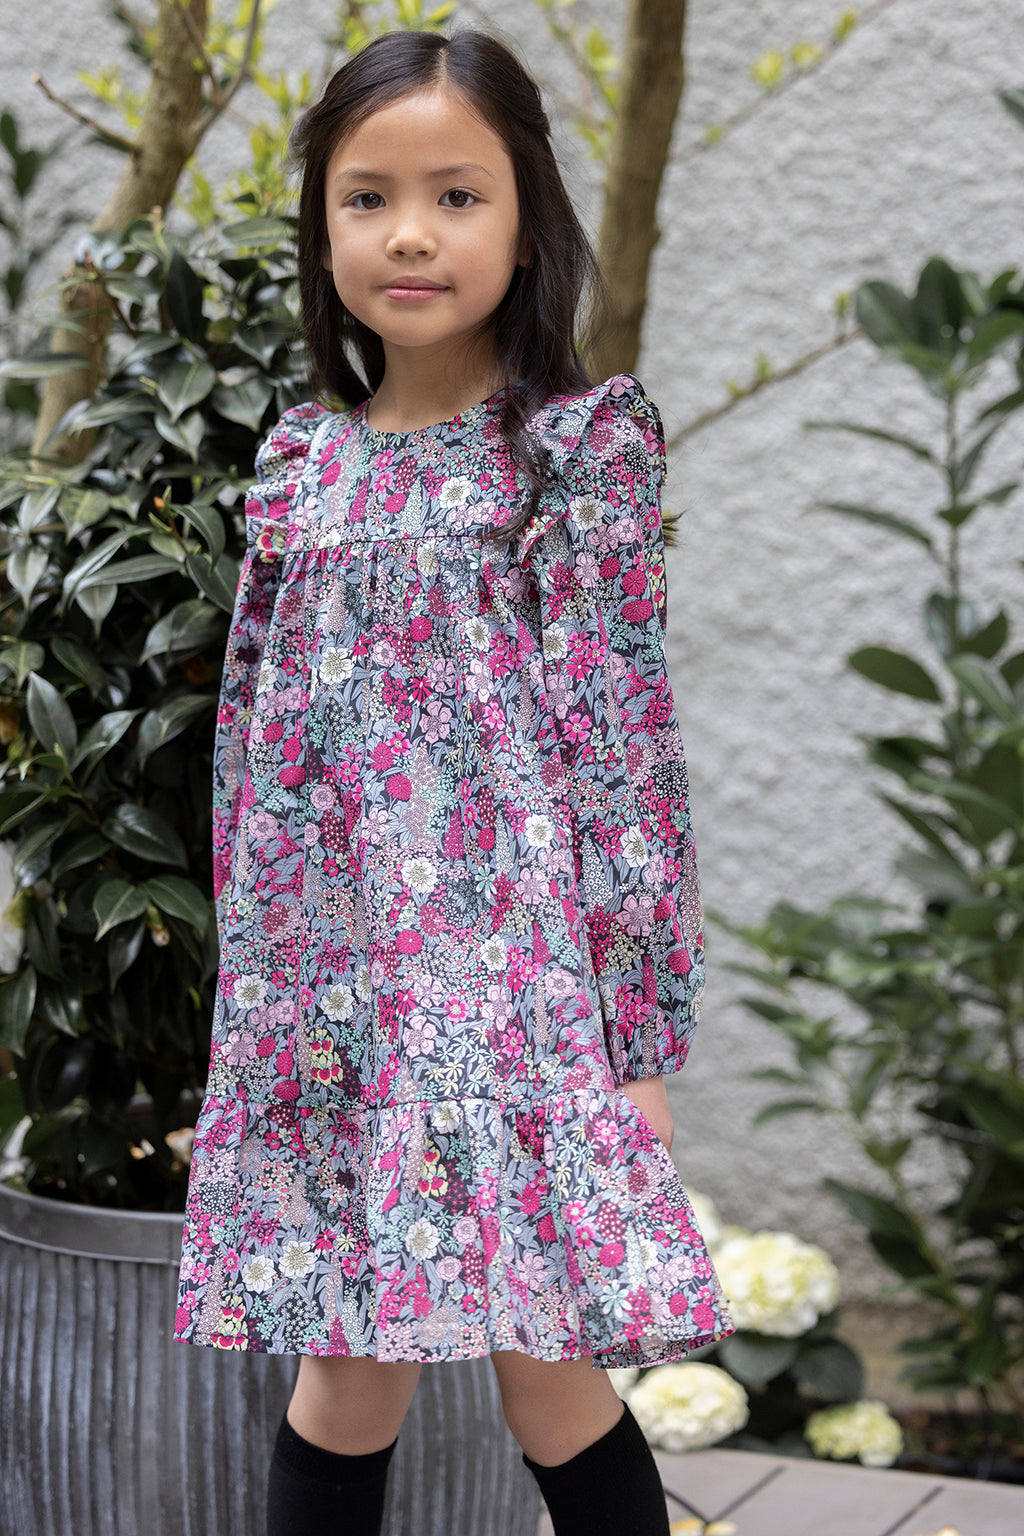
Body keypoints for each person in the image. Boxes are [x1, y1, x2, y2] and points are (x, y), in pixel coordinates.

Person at [173, 24, 733, 1536]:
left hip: (516, 1006)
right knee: (345, 1369)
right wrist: (259, 1011)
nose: (409, 233)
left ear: (529, 220)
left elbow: (622, 755)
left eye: (457, 195)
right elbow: (254, 759)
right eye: (367, 198)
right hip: (338, 1003)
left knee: (549, 1369)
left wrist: (637, 1038)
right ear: (323, 232)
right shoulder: (302, 467)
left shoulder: (572, 456)